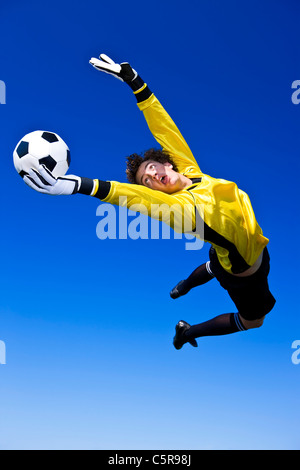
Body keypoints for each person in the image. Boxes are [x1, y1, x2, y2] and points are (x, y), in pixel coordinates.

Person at [24, 53, 276, 350]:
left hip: (245, 248)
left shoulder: (191, 171)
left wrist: (136, 83)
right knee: (254, 321)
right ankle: (188, 331)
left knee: (212, 264)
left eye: (152, 169)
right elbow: (133, 198)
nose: (152, 177)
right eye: (146, 180)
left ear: (167, 164)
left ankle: (183, 285)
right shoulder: (181, 209)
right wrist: (81, 185)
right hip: (245, 273)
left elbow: (166, 130)